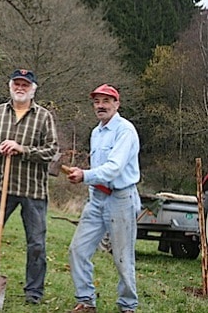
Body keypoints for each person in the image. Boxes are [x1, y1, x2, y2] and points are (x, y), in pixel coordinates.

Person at [0, 68, 58, 304]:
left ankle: (34, 293)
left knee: (36, 243)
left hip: (33, 191)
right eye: (16, 84)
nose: (20, 88)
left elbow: (52, 151)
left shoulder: (44, 117)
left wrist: (23, 150)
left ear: (33, 89)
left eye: (25, 85)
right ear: (10, 86)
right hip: (2, 189)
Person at [66, 84, 140, 313]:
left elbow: (114, 168)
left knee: (122, 257)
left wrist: (84, 175)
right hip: (96, 199)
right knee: (77, 250)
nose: (101, 106)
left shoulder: (125, 131)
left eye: (106, 101)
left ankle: (127, 306)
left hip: (121, 199)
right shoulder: (96, 133)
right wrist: (89, 183)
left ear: (116, 104)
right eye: (97, 101)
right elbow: (99, 167)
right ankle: (86, 301)